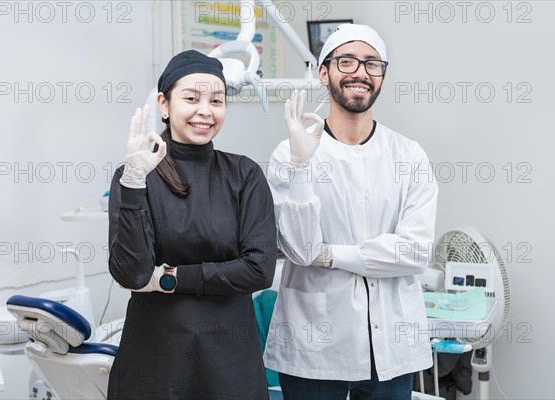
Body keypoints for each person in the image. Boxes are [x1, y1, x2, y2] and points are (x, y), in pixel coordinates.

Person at [263, 24, 438, 399]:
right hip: (316, 348)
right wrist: (299, 170)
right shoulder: (290, 154)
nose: (360, 72)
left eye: (371, 63)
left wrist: (331, 255)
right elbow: (299, 249)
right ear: (324, 73)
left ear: (382, 77)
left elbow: (415, 252)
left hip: (391, 349)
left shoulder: (409, 156)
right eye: (346, 61)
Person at [107, 50, 277, 400]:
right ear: (164, 104)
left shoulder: (244, 175)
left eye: (216, 100)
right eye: (191, 98)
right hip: (156, 360)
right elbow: (133, 275)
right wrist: (135, 183)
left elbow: (259, 270)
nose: (205, 110)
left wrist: (170, 277)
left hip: (230, 359)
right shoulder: (137, 176)